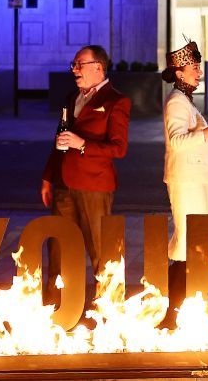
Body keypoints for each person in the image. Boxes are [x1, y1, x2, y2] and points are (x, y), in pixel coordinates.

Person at [40, 45, 131, 300]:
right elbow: (59, 139)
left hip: (95, 186)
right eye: (74, 64)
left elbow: (119, 149)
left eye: (80, 64)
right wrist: (48, 177)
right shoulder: (72, 98)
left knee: (100, 251)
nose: (74, 69)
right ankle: (55, 305)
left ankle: (109, 307)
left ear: (98, 67)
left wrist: (82, 144)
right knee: (58, 248)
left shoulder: (116, 101)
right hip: (63, 184)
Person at [160, 40, 208, 328]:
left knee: (198, 242)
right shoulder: (176, 101)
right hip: (186, 182)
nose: (198, 72)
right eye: (193, 68)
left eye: (198, 67)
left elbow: (193, 139)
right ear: (179, 72)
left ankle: (201, 306)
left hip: (195, 180)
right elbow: (177, 142)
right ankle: (174, 311)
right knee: (188, 243)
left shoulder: (184, 99)